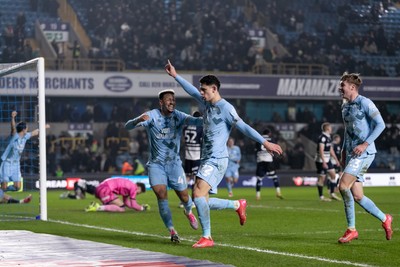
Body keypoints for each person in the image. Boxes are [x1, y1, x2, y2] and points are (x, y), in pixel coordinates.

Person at [165, 60, 283, 248]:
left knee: (196, 194)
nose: (201, 93)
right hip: (206, 159)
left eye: (204, 90)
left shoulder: (226, 108)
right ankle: (237, 205)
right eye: (201, 90)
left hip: (217, 159)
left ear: (214, 89)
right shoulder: (208, 104)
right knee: (202, 200)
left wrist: (265, 142)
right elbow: (191, 91)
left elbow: (243, 126)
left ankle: (207, 237)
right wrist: (176, 75)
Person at [124, 89, 202, 243]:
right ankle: (172, 231)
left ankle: (188, 211)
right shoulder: (152, 116)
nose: (172, 102)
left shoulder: (178, 116)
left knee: (185, 196)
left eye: (173, 99)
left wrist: (203, 118)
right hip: (156, 165)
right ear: (161, 102)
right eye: (168, 99)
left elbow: (195, 122)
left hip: (174, 165)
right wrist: (137, 121)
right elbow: (127, 126)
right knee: (161, 194)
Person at [337, 72, 392, 243]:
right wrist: (343, 151)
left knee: (343, 186)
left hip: (365, 153)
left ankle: (351, 229)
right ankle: (385, 219)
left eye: (343, 85)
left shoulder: (365, 103)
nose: (341, 88)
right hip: (352, 154)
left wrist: (365, 144)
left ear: (352, 87)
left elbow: (381, 125)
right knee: (358, 195)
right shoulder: (345, 107)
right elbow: (348, 131)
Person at [0, 111, 45, 191]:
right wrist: (13, 118)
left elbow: (35, 132)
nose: (28, 129)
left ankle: (3, 190)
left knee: (17, 187)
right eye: (27, 127)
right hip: (7, 163)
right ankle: (2, 190)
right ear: (24, 129)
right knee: (4, 187)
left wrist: (44, 127)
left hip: (16, 165)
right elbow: (13, 128)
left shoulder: (25, 136)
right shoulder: (15, 136)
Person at [83, 178, 149, 212]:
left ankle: (97, 207)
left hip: (100, 189)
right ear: (139, 187)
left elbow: (126, 203)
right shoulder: (134, 188)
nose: (138, 194)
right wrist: (142, 208)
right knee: (121, 208)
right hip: (105, 189)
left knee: (118, 206)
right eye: (140, 192)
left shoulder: (128, 187)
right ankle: (97, 207)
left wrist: (139, 207)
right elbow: (134, 205)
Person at [180, 110, 203, 208]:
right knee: (195, 179)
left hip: (187, 156)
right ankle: (193, 201)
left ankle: (183, 201)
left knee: (186, 178)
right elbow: (202, 142)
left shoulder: (185, 128)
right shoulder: (200, 129)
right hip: (196, 156)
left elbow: (183, 141)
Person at [314, 122, 341, 201]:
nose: (331, 129)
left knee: (333, 175)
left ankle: (332, 194)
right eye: (331, 128)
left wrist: (336, 159)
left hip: (327, 159)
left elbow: (330, 149)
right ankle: (321, 197)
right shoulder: (322, 137)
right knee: (322, 178)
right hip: (321, 160)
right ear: (327, 128)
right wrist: (324, 162)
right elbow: (321, 150)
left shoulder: (328, 137)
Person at [255, 129, 283, 200]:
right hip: (269, 160)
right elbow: (274, 148)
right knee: (274, 176)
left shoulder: (258, 138)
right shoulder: (271, 139)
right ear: (269, 133)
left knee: (259, 178)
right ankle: (278, 192)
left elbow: (255, 150)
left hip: (260, 160)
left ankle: (258, 195)